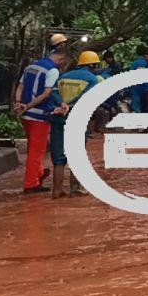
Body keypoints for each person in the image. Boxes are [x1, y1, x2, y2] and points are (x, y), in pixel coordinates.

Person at [47, 50, 103, 197]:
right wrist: (70, 106)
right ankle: (75, 188)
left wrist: (62, 105)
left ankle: (57, 190)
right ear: (92, 64)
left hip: (59, 117)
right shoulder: (92, 79)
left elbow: (52, 92)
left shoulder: (63, 76)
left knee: (58, 155)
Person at [13, 48, 69, 194]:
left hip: (25, 115)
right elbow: (46, 94)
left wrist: (19, 103)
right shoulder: (52, 71)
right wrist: (27, 106)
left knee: (33, 147)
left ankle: (38, 173)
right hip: (39, 115)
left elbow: (20, 87)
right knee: (37, 151)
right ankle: (31, 184)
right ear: (61, 59)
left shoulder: (31, 66)